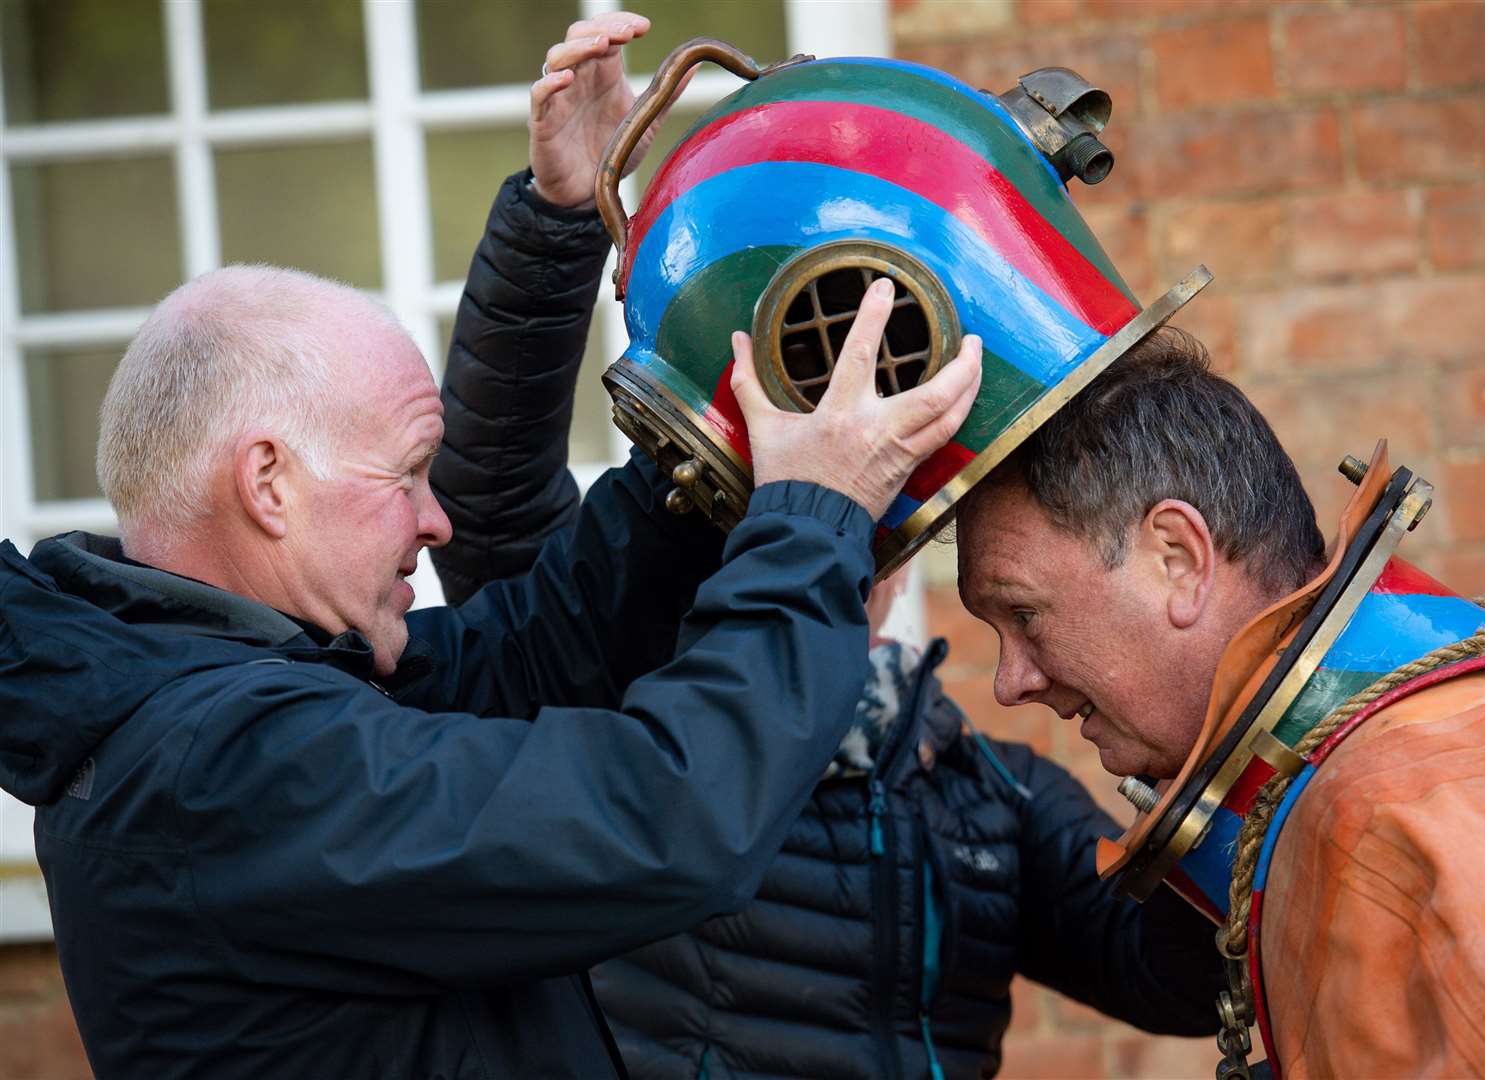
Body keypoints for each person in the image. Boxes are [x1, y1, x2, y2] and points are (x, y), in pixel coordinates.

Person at [0, 20, 984, 1078]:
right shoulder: (223, 774)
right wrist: (812, 508)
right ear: (269, 483)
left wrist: (587, 239)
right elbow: (669, 818)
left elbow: (533, 645)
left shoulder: (243, 688)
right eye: (406, 474)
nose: (437, 522)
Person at [430, 14, 1225, 1078]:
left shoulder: (975, 790)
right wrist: (562, 216)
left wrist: (1209, 726)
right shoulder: (638, 729)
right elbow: (489, 503)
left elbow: (1171, 972)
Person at [953, 328, 1485, 1077]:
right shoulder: (1407, 771)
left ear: (1178, 557)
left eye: (1025, 615)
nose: (1011, 682)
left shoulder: (1408, 805)